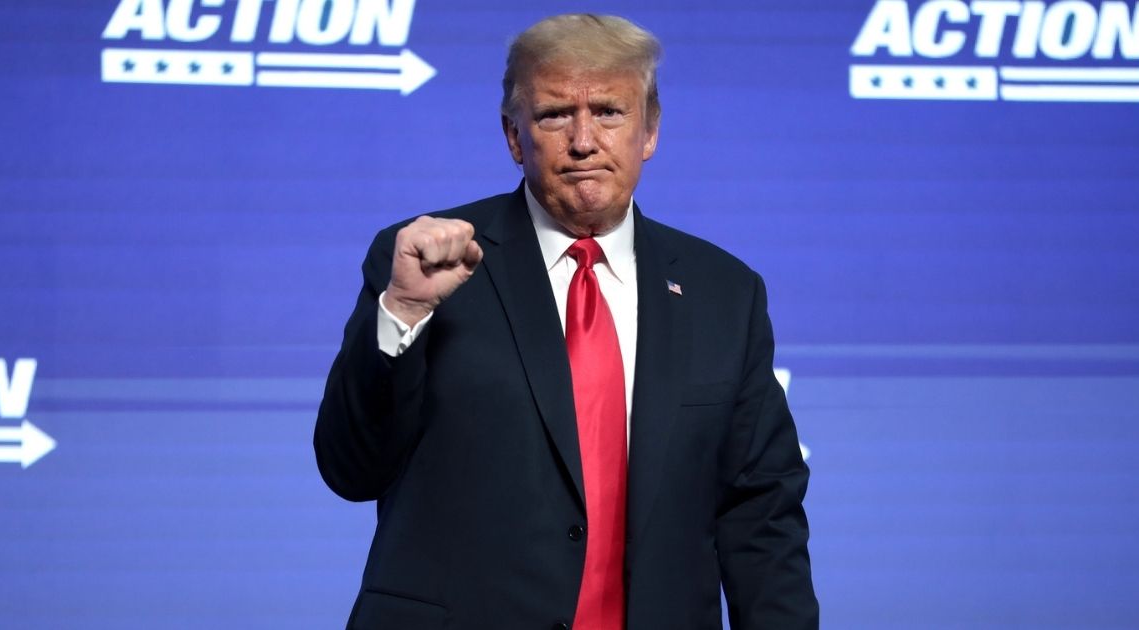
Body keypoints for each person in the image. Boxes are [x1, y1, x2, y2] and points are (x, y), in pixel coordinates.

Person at [314, 13, 817, 630]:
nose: (584, 140)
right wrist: (406, 309)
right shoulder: (425, 262)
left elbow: (761, 513)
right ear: (513, 137)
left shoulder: (725, 292)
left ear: (650, 131)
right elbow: (350, 467)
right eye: (555, 115)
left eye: (609, 111)